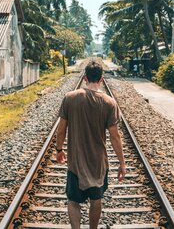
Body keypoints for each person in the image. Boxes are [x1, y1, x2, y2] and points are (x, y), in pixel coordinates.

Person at [56, 61, 126, 229]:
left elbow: (61, 130)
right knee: (96, 200)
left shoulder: (70, 98)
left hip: (76, 164)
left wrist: (59, 150)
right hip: (98, 164)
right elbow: (115, 137)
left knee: (73, 201)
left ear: (85, 77)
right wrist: (122, 163)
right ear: (101, 79)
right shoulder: (109, 102)